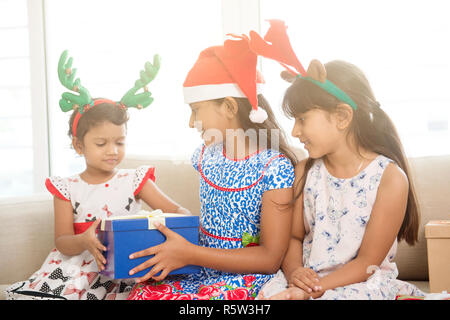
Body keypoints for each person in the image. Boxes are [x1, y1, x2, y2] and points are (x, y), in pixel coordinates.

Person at [250, 20, 425, 300]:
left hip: (359, 282)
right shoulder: (305, 172)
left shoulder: (389, 178)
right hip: (307, 281)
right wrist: (295, 273)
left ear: (342, 117)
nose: (295, 132)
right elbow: (293, 238)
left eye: (303, 119)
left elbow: (367, 262)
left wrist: (313, 291)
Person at [5, 51, 189, 300]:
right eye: (101, 143)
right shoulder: (67, 188)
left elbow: (177, 211)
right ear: (79, 146)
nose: (113, 151)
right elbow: (62, 241)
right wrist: (84, 240)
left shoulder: (134, 179)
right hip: (79, 268)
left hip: (125, 265)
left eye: (120, 142)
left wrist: (176, 223)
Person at [126, 35, 297, 300]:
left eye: (196, 109)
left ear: (228, 107)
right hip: (202, 270)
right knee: (142, 292)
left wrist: (189, 253)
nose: (191, 121)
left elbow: (269, 258)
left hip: (247, 278)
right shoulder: (206, 156)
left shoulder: (275, 168)